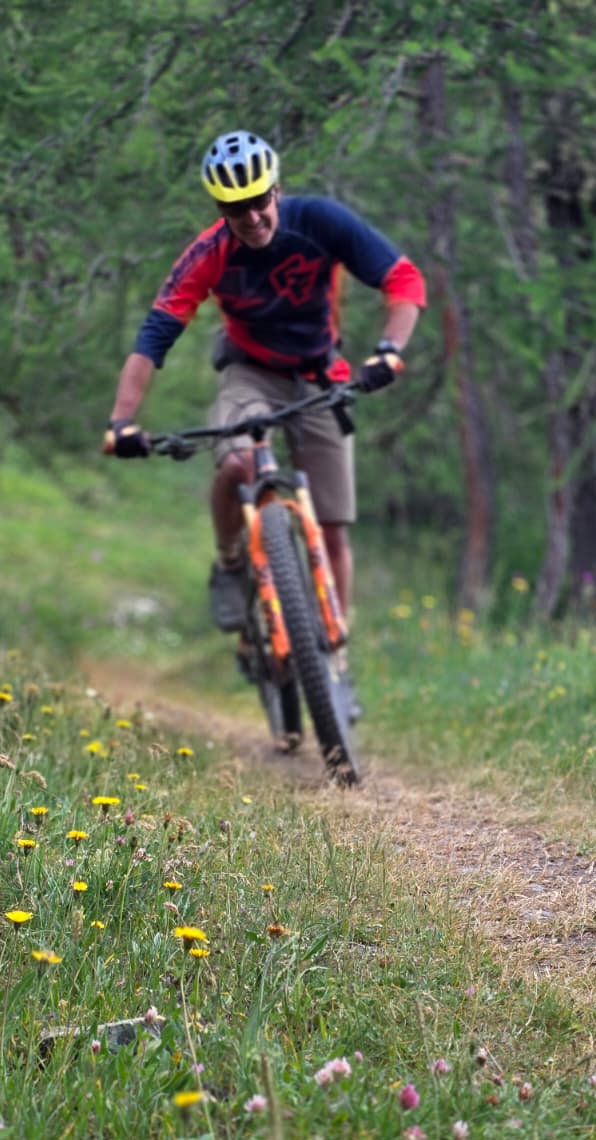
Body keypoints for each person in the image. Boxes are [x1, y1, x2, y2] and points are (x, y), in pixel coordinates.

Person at [106, 129, 426, 715]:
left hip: (319, 373)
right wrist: (122, 421)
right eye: (235, 208)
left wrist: (389, 349)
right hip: (248, 372)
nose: (252, 217)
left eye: (259, 200)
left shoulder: (321, 222)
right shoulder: (208, 255)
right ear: (218, 208)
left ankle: (335, 662)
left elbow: (404, 280)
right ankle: (231, 563)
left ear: (276, 189)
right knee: (238, 458)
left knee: (331, 528)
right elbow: (154, 337)